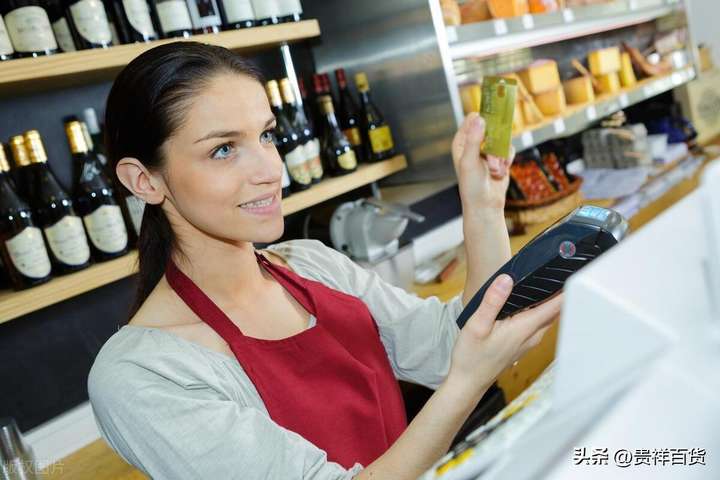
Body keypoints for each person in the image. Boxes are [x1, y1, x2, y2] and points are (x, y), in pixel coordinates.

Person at [87, 42, 561, 480]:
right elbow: (464, 366)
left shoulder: (313, 265)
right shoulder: (142, 375)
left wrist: (481, 208)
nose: (271, 170)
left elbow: (450, 347)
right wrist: (467, 382)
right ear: (144, 181)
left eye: (267, 135)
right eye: (224, 150)